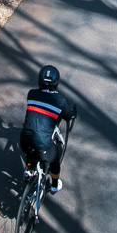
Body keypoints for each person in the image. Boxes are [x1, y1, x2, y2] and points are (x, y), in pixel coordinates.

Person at [20, 65, 78, 193]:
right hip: (43, 146)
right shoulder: (61, 101)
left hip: (23, 141)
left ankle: (29, 170)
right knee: (55, 156)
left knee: (31, 145)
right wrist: (73, 113)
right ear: (56, 83)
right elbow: (69, 116)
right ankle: (54, 184)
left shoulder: (32, 94)